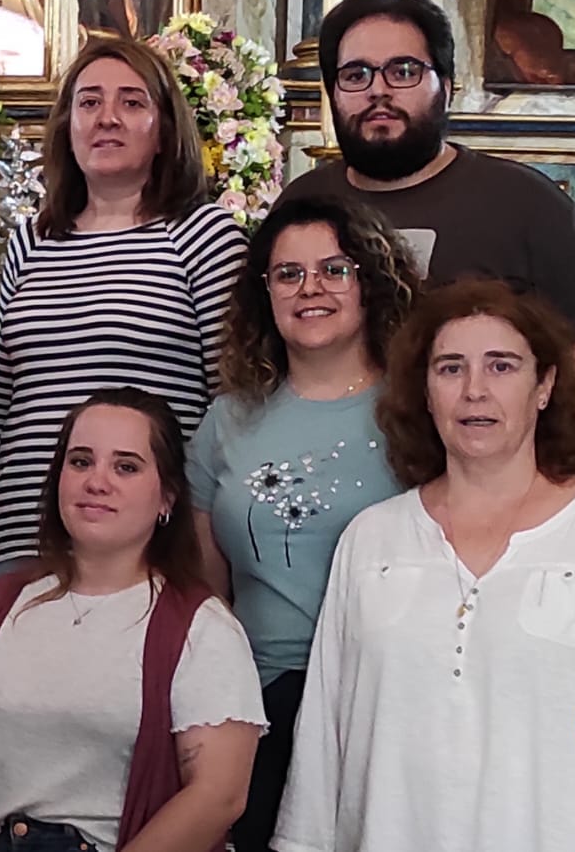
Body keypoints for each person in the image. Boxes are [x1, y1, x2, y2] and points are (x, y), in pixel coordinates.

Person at [274, 280, 575, 852]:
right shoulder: (371, 541)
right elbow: (323, 744)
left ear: (544, 386)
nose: (475, 390)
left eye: (502, 366)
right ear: (426, 392)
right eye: (450, 369)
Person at [0, 35, 246, 625]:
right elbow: (0, 409)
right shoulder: (32, 242)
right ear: (67, 126)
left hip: (148, 545)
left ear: (163, 130)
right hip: (26, 537)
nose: (107, 117)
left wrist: (211, 555)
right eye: (89, 102)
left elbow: (232, 411)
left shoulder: (203, 235)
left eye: (131, 102)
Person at [0, 389, 264, 852]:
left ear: (166, 497)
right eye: (81, 461)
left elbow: (218, 795)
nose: (96, 482)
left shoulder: (203, 628)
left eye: (126, 467)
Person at [186, 196, 418, 852]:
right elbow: (207, 593)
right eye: (288, 274)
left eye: (334, 270)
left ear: (371, 282)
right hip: (257, 700)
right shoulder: (227, 421)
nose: (310, 288)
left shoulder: (417, 412)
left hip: (383, 696)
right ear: (265, 293)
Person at [276, 0, 575, 399]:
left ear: (446, 88)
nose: (378, 90)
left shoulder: (523, 200)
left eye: (403, 71)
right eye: (355, 75)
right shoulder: (304, 203)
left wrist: (515, 403)